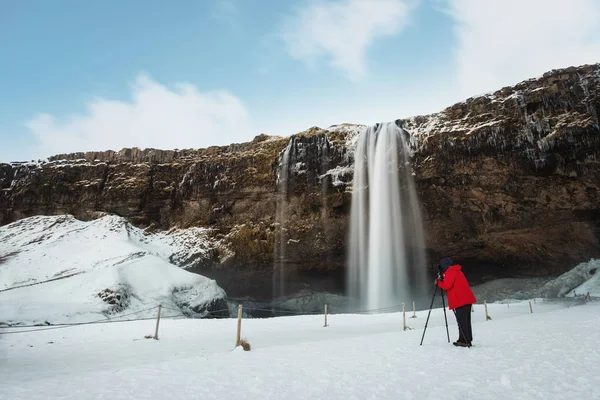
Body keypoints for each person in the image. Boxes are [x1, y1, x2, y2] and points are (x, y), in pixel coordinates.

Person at [435, 257, 476, 347]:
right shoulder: (456, 270)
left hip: (460, 300)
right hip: (466, 299)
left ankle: (465, 341)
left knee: (461, 321)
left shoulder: (450, 271)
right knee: (465, 321)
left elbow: (447, 286)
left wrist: (439, 282)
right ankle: (465, 339)